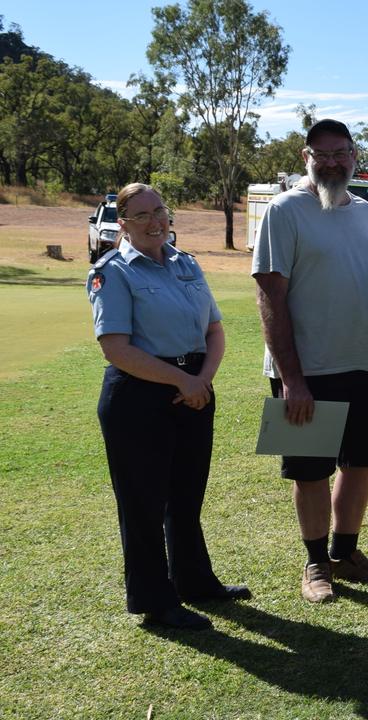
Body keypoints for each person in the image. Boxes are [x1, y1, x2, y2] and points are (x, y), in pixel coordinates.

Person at [252, 119, 368, 604]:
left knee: (362, 464)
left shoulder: (365, 214)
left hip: (365, 364)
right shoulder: (283, 210)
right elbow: (269, 297)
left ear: (354, 156)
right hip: (306, 371)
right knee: (310, 471)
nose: (333, 162)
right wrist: (291, 379)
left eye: (342, 153)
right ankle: (315, 563)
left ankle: (345, 553)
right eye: (323, 154)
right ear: (306, 158)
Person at [88, 182, 249, 630]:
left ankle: (194, 581)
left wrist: (202, 380)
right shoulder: (113, 271)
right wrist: (184, 381)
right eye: (142, 215)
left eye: (160, 210)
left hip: (194, 389)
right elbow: (116, 348)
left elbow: (214, 329)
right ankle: (154, 600)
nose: (156, 221)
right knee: (142, 503)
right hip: (139, 397)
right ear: (123, 223)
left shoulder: (187, 263)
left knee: (186, 495)